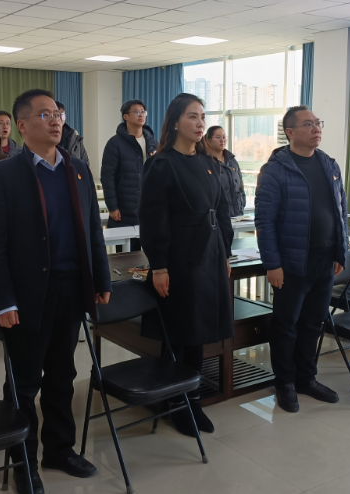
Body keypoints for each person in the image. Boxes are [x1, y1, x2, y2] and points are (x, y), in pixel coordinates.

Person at [0, 89, 111, 494]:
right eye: (44, 114)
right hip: (28, 296)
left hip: (71, 290)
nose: (55, 120)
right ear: (21, 126)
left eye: (58, 114)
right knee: (23, 383)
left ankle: (59, 449)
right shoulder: (4, 174)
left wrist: (101, 279)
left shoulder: (77, 169)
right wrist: (2, 299)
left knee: (62, 375)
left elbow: (93, 230)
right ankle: (23, 461)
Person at [139, 93, 233, 437]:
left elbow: (222, 210)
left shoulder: (208, 161)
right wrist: (159, 266)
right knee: (179, 334)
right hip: (180, 258)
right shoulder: (161, 164)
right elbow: (153, 219)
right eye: (193, 116)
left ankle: (192, 398)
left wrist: (225, 254)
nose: (200, 123)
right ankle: (176, 401)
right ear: (176, 122)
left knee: (200, 333)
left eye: (203, 116)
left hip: (210, 255)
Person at [255, 105, 348, 413]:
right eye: (308, 124)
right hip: (292, 263)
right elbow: (264, 220)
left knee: (313, 323)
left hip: (324, 261)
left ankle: (307, 378)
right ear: (290, 132)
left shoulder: (329, 164)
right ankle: (285, 383)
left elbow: (341, 211)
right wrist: (273, 264)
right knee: (286, 325)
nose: (316, 128)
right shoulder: (276, 169)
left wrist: (340, 251)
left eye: (318, 123)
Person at [101, 99, 158, 250]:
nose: (141, 115)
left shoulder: (153, 143)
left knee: (149, 254)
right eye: (136, 112)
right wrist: (112, 207)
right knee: (126, 256)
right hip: (124, 209)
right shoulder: (115, 143)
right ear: (125, 116)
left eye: (143, 112)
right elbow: (107, 177)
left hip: (149, 209)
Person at [205, 126, 246, 217]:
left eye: (224, 137)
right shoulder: (206, 162)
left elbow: (240, 186)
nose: (222, 140)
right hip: (218, 216)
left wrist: (242, 204)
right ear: (208, 141)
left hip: (237, 214)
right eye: (218, 137)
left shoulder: (232, 160)